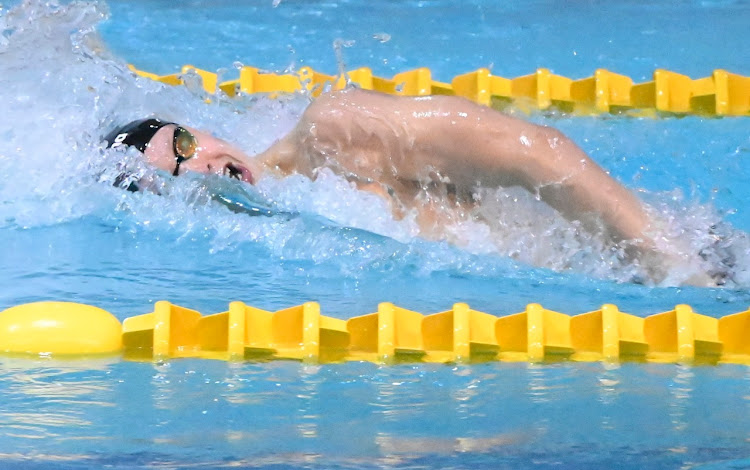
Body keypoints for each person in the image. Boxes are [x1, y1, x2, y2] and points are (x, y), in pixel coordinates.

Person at [105, 87, 710, 284]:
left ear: (198, 125)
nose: (204, 166)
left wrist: (674, 269)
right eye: (178, 178)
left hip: (681, 265)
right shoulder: (267, 256)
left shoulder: (332, 133)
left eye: (186, 146)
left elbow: (539, 153)